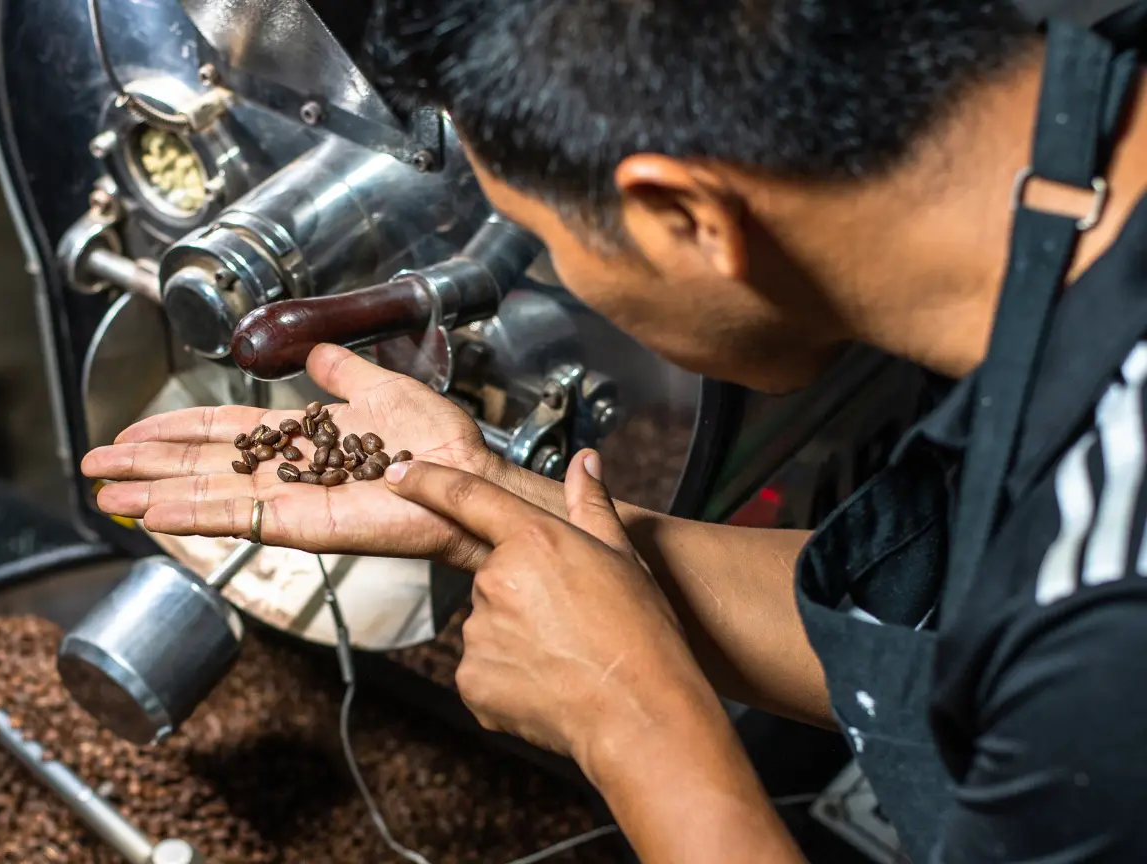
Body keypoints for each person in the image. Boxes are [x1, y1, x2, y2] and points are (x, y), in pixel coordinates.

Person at [82, 1, 1147, 860]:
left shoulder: (1104, 634)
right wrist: (499, 509)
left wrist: (633, 720)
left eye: (539, 238)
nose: (558, 268)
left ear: (686, 217)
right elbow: (969, 634)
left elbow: (1063, 663)